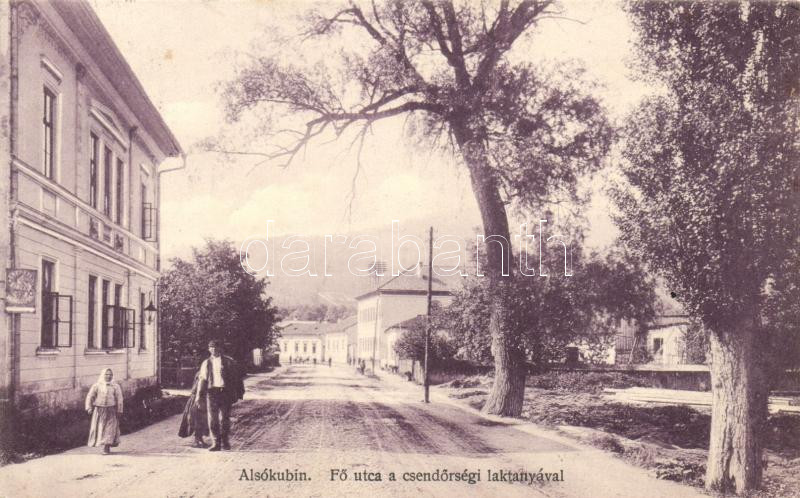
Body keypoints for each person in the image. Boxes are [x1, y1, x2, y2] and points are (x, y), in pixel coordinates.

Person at [197, 340, 245, 451]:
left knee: (224, 418)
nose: (213, 349)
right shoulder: (206, 363)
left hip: (225, 393)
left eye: (215, 347)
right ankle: (216, 443)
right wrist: (199, 396)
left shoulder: (228, 362)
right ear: (209, 349)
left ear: (220, 348)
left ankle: (225, 441)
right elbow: (202, 380)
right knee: (212, 419)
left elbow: (237, 378)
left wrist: (238, 393)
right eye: (211, 347)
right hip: (211, 393)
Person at [85, 368, 123, 454]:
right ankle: (100, 443)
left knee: (110, 429)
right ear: (103, 375)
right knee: (100, 428)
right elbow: (90, 396)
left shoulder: (115, 386)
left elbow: (119, 399)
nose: (108, 376)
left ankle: (106, 447)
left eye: (110, 375)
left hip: (111, 410)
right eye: (106, 374)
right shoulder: (97, 386)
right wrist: (89, 407)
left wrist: (119, 410)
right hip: (99, 410)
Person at [178, 369, 209, 447]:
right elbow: (198, 388)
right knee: (196, 420)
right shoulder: (202, 374)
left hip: (202, 398)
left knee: (202, 420)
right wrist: (198, 399)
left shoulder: (205, 373)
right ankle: (197, 440)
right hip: (197, 399)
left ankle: (200, 439)